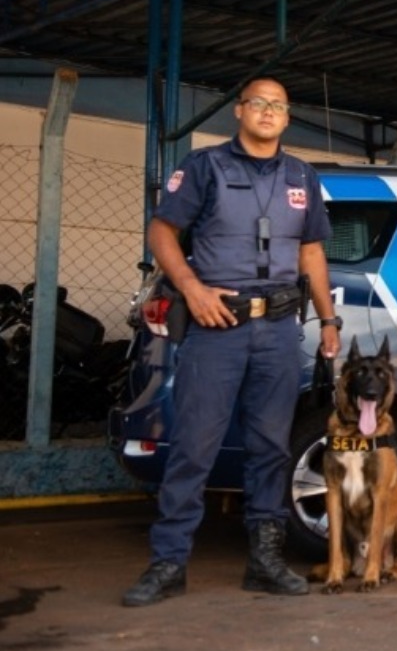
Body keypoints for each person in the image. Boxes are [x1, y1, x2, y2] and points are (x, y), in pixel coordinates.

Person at [123, 77, 342, 607]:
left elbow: (311, 252)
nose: (268, 112)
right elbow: (161, 231)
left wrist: (329, 320)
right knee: (194, 447)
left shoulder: (302, 177)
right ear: (239, 110)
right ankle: (169, 562)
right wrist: (191, 288)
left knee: (270, 448)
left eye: (279, 106)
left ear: (288, 118)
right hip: (217, 329)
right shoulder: (204, 167)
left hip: (279, 332)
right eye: (259, 103)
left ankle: (264, 561)